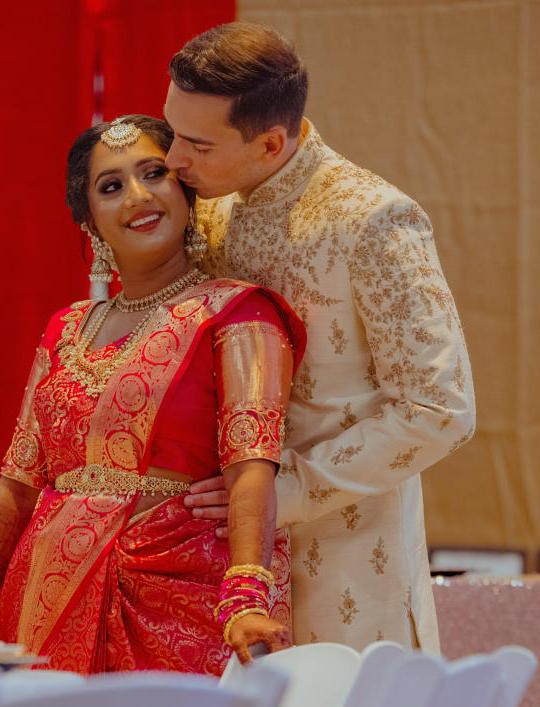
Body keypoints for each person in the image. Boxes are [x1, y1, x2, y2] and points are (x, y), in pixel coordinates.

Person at [0, 114, 306, 673]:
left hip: (182, 602)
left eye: (154, 174)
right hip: (48, 598)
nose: (137, 197)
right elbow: (18, 485)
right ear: (90, 221)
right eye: (111, 186)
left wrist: (246, 595)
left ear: (187, 192)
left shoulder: (237, 313)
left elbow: (251, 467)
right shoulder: (65, 329)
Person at [164, 22, 476, 651]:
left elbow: (441, 410)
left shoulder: (372, 219)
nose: (173, 159)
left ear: (271, 141)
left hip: (347, 557)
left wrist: (286, 493)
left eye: (197, 142)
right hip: (218, 563)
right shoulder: (213, 207)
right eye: (172, 132)